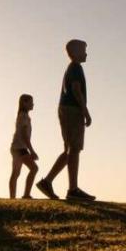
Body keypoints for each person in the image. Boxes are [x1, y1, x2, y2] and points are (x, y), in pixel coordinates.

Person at [36, 40, 96, 201]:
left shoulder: (74, 68)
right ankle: (73, 189)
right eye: (84, 50)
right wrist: (85, 111)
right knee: (74, 149)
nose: (86, 53)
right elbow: (76, 90)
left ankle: (47, 182)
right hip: (72, 109)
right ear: (75, 52)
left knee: (69, 150)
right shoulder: (76, 67)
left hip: (67, 109)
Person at [9, 94, 39, 199]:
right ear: (24, 103)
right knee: (34, 168)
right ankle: (25, 195)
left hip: (17, 148)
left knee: (16, 173)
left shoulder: (23, 116)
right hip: (19, 148)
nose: (33, 104)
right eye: (31, 102)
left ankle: (13, 198)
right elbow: (25, 136)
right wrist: (32, 151)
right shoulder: (23, 116)